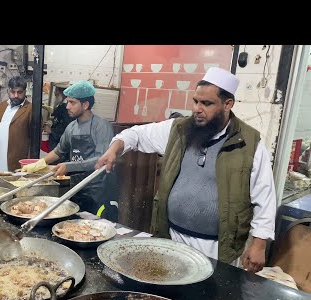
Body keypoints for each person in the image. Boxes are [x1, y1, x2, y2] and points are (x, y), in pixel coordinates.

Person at [96, 67, 277, 272]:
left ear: (228, 104)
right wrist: (115, 148)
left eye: (207, 103)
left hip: (217, 248)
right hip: (172, 238)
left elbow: (265, 196)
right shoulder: (180, 130)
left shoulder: (249, 143)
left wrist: (259, 244)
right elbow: (136, 135)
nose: (197, 109)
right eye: (196, 101)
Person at [40, 80, 118, 219]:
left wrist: (68, 166)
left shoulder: (101, 126)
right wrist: (38, 164)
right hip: (77, 188)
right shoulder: (71, 127)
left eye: (72, 102)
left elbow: (102, 160)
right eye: (67, 102)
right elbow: (59, 151)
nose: (67, 106)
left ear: (86, 104)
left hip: (97, 191)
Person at [0, 76, 32, 174]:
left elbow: (34, 139)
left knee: (12, 182)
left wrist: (29, 162)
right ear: (8, 91)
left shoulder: (30, 109)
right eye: (13, 92)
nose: (16, 95)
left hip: (15, 156)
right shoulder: (3, 106)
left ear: (25, 92)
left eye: (19, 92)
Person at [48, 82, 73, 162]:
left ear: (59, 91)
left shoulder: (65, 109)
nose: (55, 93)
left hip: (60, 149)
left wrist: (51, 130)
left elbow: (66, 128)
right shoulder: (61, 106)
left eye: (56, 90)